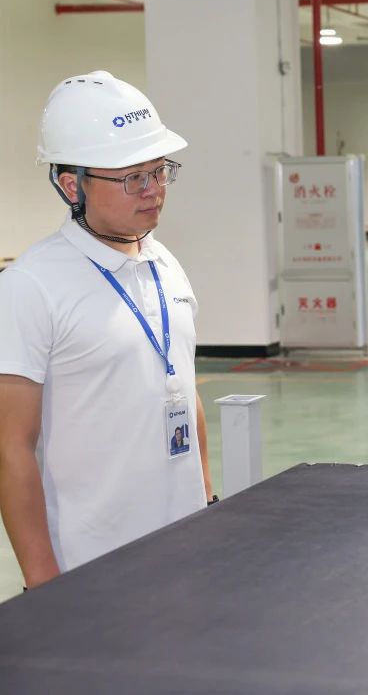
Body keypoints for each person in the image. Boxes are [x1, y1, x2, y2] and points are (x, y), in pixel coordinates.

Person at [0, 70, 213, 589]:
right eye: (132, 178)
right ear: (71, 185)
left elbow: (184, 391)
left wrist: (209, 505)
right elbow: (10, 448)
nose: (153, 191)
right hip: (91, 570)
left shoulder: (165, 265)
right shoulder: (31, 286)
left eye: (159, 171)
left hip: (187, 552)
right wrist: (44, 582)